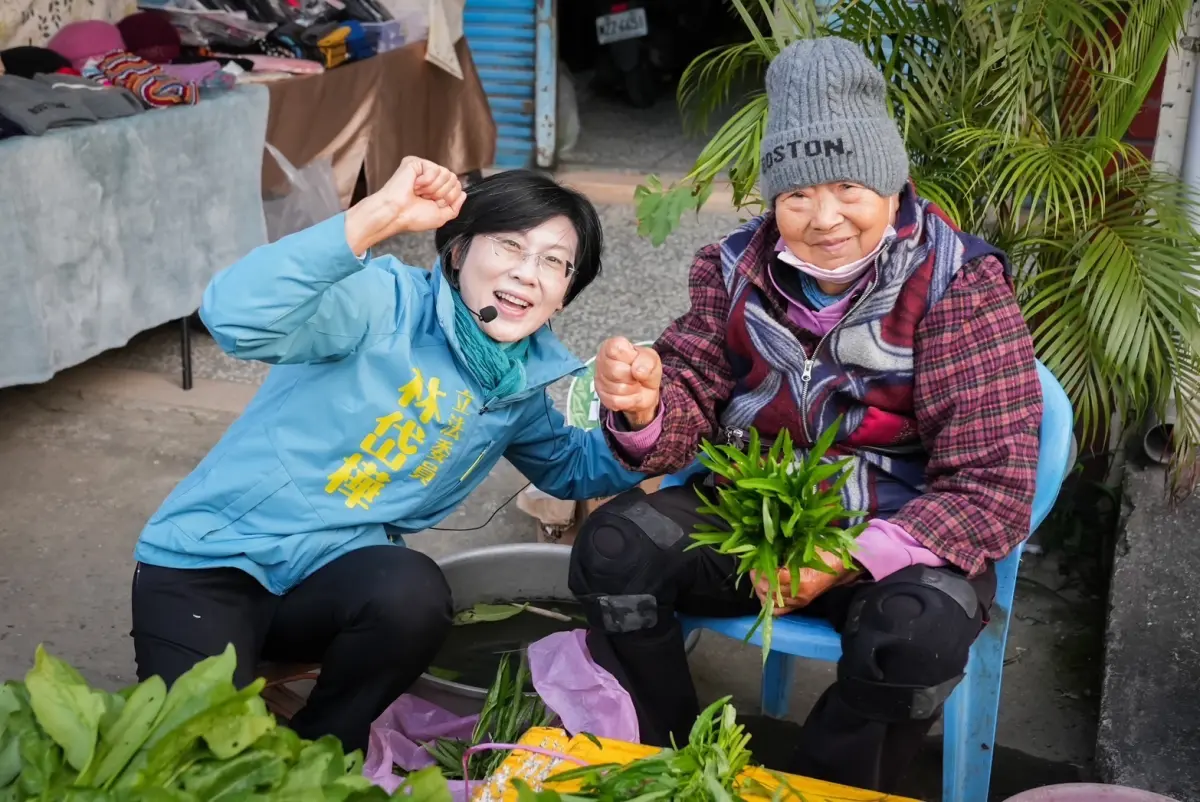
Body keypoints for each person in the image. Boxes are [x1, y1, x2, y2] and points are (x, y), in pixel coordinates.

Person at [568, 37, 1042, 792]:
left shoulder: (959, 282)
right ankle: (670, 766)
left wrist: (847, 557)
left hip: (898, 534)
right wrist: (647, 405)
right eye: (797, 195)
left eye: (850, 187)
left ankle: (822, 786)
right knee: (616, 551)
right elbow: (691, 387)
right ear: (773, 199)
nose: (825, 219)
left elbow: (992, 485)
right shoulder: (732, 268)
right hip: (751, 517)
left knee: (913, 640)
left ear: (895, 182)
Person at [131, 161, 645, 752]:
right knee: (198, 758)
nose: (529, 274)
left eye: (555, 262)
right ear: (457, 253)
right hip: (211, 565)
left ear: (563, 296)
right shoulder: (387, 303)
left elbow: (573, 466)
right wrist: (371, 218)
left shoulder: (515, 385)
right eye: (510, 245)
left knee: (412, 592)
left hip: (326, 582)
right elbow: (237, 316)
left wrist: (642, 414)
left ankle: (323, 751)